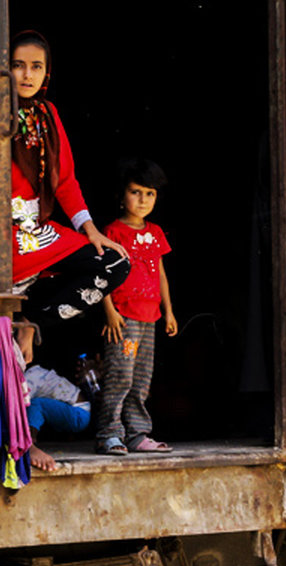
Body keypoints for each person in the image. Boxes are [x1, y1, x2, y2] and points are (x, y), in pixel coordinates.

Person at [8, 30, 129, 364]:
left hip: (39, 233)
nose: (28, 74)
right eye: (18, 65)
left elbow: (65, 182)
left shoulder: (48, 115)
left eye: (36, 66)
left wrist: (89, 229)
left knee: (115, 262)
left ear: (48, 73)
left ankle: (31, 324)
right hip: (5, 239)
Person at [95, 158, 177, 455]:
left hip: (149, 316)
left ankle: (137, 434)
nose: (143, 199)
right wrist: (109, 311)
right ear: (121, 195)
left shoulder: (155, 233)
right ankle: (109, 433)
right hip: (123, 318)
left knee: (141, 379)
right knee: (120, 375)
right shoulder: (112, 232)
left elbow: (160, 272)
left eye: (150, 193)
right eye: (136, 192)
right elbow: (101, 274)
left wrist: (168, 311)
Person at [23, 363, 91, 472]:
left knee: (36, 405)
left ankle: (29, 441)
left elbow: (18, 405)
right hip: (81, 413)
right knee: (40, 406)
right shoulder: (38, 372)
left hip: (79, 414)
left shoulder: (30, 378)